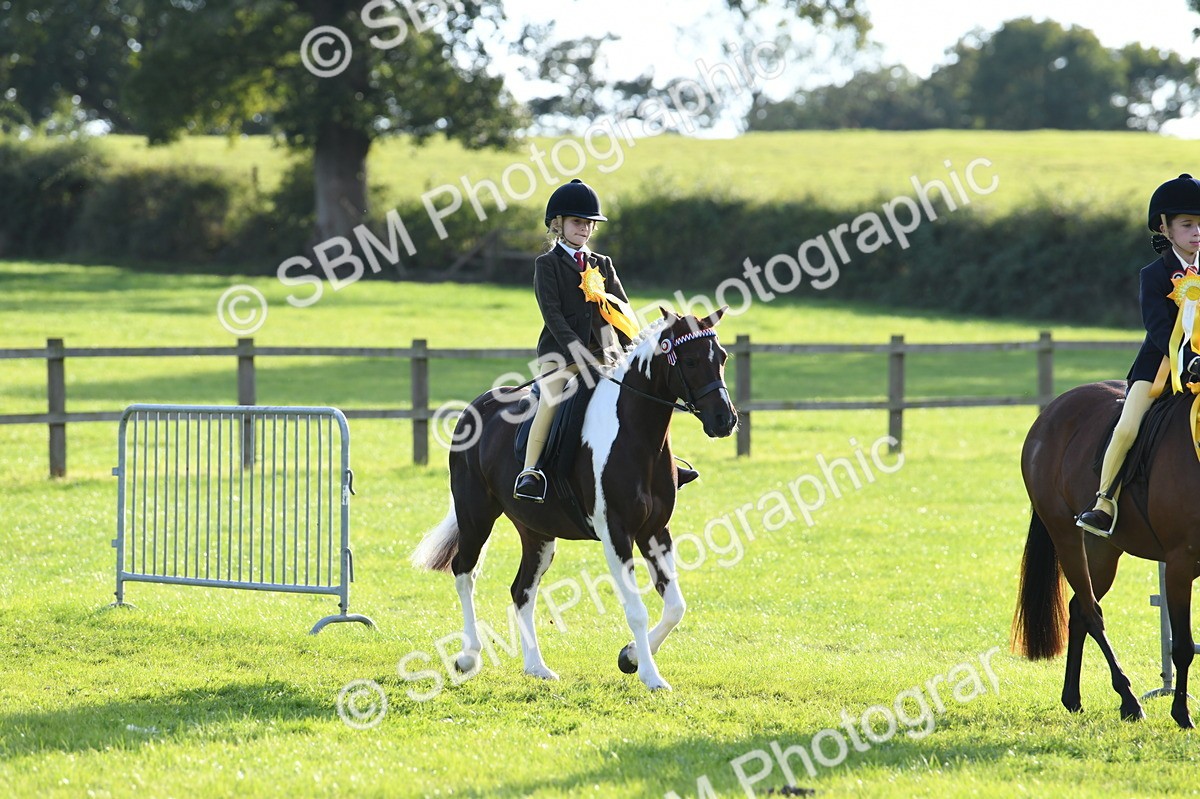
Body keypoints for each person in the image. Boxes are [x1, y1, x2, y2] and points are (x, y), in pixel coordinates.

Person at [514, 179, 699, 502]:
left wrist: (637, 345)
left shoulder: (603, 264)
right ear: (557, 224)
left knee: (642, 395)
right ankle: (531, 471)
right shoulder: (547, 265)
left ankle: (664, 463)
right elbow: (553, 314)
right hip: (563, 356)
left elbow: (622, 309)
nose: (584, 229)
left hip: (608, 355)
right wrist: (577, 351)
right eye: (577, 223)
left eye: (588, 224)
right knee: (552, 399)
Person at [1076, 173, 1200, 537]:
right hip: (1160, 366)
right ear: (1165, 227)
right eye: (1188, 225)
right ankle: (1103, 502)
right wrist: (1186, 359)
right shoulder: (1155, 274)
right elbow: (1158, 326)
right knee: (1128, 426)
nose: (1197, 232)